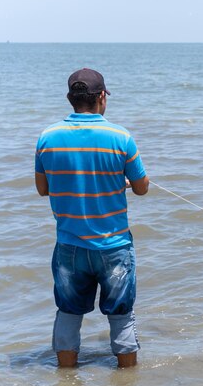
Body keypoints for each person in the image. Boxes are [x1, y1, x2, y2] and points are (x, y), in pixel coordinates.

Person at [35, 68, 149, 368]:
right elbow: (141, 189)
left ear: (69, 98)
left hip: (69, 246)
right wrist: (121, 182)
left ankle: (66, 382)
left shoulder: (47, 137)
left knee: (69, 313)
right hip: (114, 246)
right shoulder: (121, 137)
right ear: (101, 97)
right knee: (121, 315)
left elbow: (42, 188)